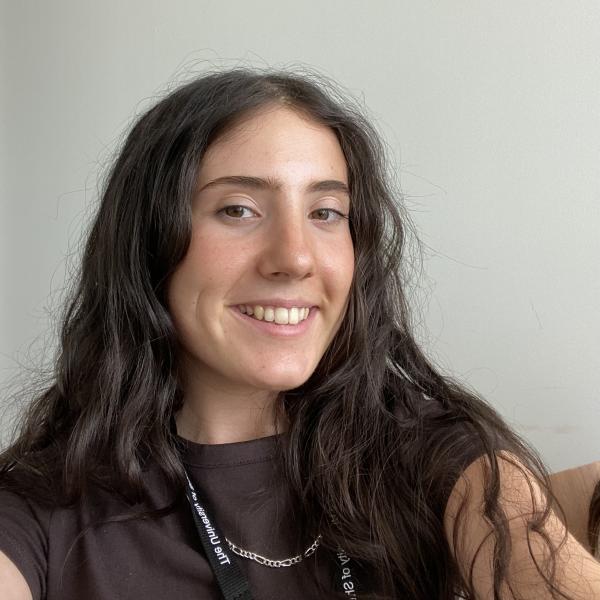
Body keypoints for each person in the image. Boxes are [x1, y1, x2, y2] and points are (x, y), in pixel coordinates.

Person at [0, 67, 599, 600]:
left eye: (326, 213)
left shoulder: (444, 460)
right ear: (149, 244)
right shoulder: (36, 513)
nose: (295, 257)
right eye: (238, 209)